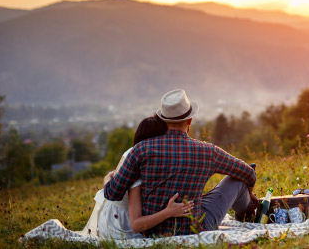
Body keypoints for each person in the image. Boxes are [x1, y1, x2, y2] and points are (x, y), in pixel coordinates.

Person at [104, 89, 258, 237]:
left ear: (163, 120)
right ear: (189, 120)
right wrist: (250, 193)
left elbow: (112, 194)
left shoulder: (140, 149)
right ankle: (247, 213)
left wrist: (108, 177)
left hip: (152, 231)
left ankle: (248, 209)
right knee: (237, 180)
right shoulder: (208, 151)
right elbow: (248, 173)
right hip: (195, 227)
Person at [79, 115, 194, 240]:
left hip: (111, 214)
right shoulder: (138, 166)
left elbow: (112, 180)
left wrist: (106, 179)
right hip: (120, 225)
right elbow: (136, 224)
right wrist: (168, 212)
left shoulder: (133, 152)